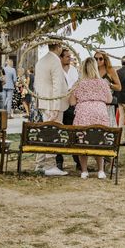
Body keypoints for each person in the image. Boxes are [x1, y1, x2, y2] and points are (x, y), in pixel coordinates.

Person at [69, 57, 112, 179]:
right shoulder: (103, 83)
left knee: (82, 141)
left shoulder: (79, 83)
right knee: (99, 141)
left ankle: (84, 171)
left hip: (83, 113)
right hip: (100, 113)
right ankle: (101, 170)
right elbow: (109, 99)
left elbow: (72, 102)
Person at [34, 42, 69, 176]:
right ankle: (50, 165)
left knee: (45, 134)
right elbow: (57, 86)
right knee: (52, 134)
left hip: (44, 101)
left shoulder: (41, 61)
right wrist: (55, 107)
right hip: (53, 104)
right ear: (59, 47)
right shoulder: (55, 61)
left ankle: (39, 164)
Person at [57, 47, 80, 171]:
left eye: (70, 56)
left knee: (73, 133)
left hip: (71, 105)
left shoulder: (74, 70)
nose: (69, 58)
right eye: (67, 56)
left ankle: (78, 161)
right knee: (59, 133)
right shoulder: (56, 70)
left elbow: (77, 85)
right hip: (59, 104)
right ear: (60, 57)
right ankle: (58, 162)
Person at [94, 51, 121, 127]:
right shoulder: (93, 70)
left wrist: (110, 85)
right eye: (95, 59)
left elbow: (119, 87)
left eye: (100, 59)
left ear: (105, 59)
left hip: (107, 103)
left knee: (107, 126)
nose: (98, 61)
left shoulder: (110, 70)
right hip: (95, 103)